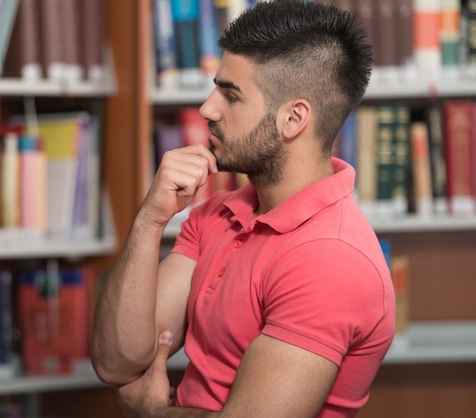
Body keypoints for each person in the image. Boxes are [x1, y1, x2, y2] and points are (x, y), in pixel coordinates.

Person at [91, 0, 396, 417]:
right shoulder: (218, 213)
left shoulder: (332, 258)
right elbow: (116, 363)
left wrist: (153, 413)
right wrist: (150, 219)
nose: (207, 109)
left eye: (230, 96)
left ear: (293, 118)